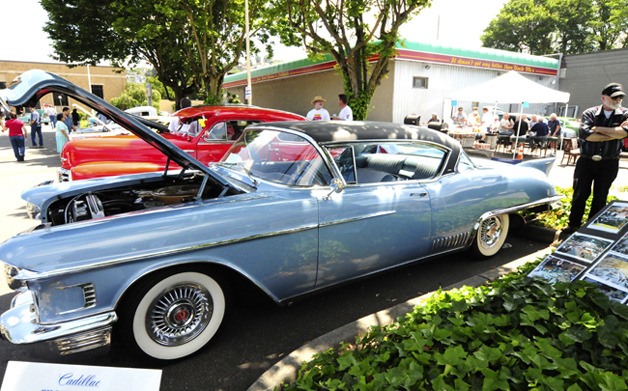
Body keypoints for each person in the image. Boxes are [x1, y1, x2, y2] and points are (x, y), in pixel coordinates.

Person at [565, 82, 628, 233]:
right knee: (580, 194)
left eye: (620, 97)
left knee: (601, 196)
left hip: (609, 162)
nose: (617, 100)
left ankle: (590, 228)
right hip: (586, 160)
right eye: (614, 97)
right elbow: (587, 136)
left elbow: (625, 133)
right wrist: (614, 132)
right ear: (603, 98)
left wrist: (598, 129)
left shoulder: (625, 113)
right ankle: (573, 225)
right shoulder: (590, 113)